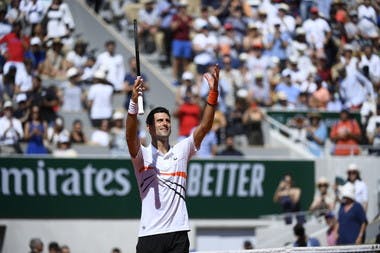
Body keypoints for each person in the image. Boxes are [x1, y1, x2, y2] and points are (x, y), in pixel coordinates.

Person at [126, 65, 219, 253]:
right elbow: (129, 137)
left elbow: (204, 127)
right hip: (150, 235)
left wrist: (213, 93)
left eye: (167, 120)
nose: (165, 123)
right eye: (160, 121)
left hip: (178, 232)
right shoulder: (143, 155)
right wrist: (134, 103)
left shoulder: (182, 150)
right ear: (150, 127)